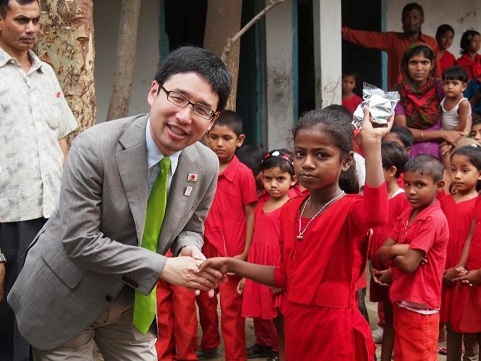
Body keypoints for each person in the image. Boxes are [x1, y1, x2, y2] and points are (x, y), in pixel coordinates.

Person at [7, 46, 230, 360]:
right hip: (65, 294)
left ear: (212, 119)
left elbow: (191, 226)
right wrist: (164, 266)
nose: (184, 116)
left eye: (201, 109)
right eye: (177, 97)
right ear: (154, 92)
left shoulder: (205, 163)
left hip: (130, 301)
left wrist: (188, 248)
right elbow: (79, 242)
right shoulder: (94, 147)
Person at [200, 106, 392, 361]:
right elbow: (284, 277)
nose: (308, 163)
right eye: (301, 154)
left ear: (345, 161)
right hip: (298, 326)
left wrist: (372, 145)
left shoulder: (350, 209)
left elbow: (377, 213)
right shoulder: (291, 208)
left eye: (322, 155)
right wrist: (231, 264)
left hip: (336, 332)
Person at [0, 0, 79, 360]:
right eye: (21, 20)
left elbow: (61, 137)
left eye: (35, 20)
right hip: (9, 217)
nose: (30, 28)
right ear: (0, 20)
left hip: (53, 215)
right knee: (11, 313)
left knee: (47, 309)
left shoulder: (47, 73)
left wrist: (71, 206)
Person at [196, 110, 258, 360]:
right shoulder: (201, 169)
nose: (219, 143)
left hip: (233, 250)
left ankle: (236, 355)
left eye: (226, 138)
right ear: (206, 138)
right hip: (203, 245)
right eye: (213, 137)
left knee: (232, 309)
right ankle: (209, 344)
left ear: (239, 140)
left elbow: (251, 214)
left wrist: (245, 251)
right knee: (205, 301)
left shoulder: (243, 174)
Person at [377, 154, 449, 361]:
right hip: (404, 298)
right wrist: (403, 249)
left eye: (420, 184)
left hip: (421, 306)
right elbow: (382, 252)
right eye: (407, 184)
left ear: (439, 186)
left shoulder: (434, 219)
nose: (411, 191)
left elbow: (408, 264)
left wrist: (395, 252)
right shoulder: (409, 213)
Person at [239, 149, 296, 361]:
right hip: (259, 265)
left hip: (278, 269)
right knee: (262, 312)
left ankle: (281, 352)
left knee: (282, 318)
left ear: (293, 180)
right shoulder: (261, 203)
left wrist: (284, 275)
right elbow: (254, 238)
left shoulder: (294, 204)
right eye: (268, 178)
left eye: (280, 179)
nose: (273, 184)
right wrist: (247, 274)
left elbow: (292, 246)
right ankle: (267, 345)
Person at [438, 143, 481, 361]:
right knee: (451, 322)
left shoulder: (477, 204)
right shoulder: (444, 201)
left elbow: (472, 238)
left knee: (471, 325)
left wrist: (461, 268)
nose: (457, 175)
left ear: (479, 174)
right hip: (447, 271)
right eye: (453, 169)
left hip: (468, 274)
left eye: (465, 170)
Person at [369, 141, 410, 361]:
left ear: (392, 171)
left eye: (375, 167)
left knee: (399, 319)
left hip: (395, 270)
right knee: (389, 319)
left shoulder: (403, 199)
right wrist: (371, 263)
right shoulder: (376, 196)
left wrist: (392, 270)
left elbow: (405, 238)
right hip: (378, 269)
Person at [342, 2, 440, 90]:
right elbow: (369, 38)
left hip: (424, 95)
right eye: (408, 17)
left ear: (422, 19)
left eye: (415, 17)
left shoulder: (431, 43)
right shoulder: (393, 40)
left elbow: (436, 73)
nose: (411, 21)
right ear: (402, 19)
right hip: (399, 96)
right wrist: (344, 32)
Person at [394, 43, 466, 158]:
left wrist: (456, 136)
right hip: (412, 145)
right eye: (413, 62)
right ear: (406, 65)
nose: (419, 68)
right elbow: (403, 133)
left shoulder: (442, 87)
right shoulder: (399, 93)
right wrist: (441, 134)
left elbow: (464, 109)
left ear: (432, 65)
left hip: (445, 143)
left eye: (424, 62)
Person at [155, 249, 198, 361]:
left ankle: (185, 356)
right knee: (163, 314)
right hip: (160, 260)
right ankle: (170, 356)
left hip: (174, 259)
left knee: (183, 315)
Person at [440, 65, 471, 133]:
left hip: (456, 133)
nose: (450, 87)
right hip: (443, 131)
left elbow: (461, 126)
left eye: (455, 83)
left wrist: (447, 134)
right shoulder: (444, 97)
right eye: (447, 83)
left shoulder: (463, 103)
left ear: (464, 87)